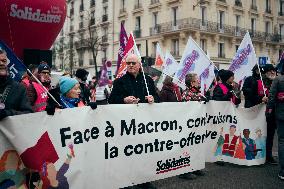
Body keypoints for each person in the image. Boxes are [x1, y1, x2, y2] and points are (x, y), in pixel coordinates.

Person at [108, 53, 158, 189]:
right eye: (128, 63)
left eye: (133, 63)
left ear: (139, 65)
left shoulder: (148, 80)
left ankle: (144, 180)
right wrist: (124, 100)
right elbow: (111, 101)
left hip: (145, 124)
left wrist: (153, 99)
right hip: (127, 125)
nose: (130, 65)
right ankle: (127, 181)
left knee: (144, 153)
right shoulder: (120, 81)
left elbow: (158, 99)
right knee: (128, 153)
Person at [178, 73, 206, 180]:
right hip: (188, 127)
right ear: (192, 83)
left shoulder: (197, 93)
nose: (199, 81)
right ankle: (184, 171)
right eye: (197, 80)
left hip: (196, 126)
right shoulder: (187, 94)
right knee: (187, 148)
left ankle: (195, 167)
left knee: (195, 146)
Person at [0, 49, 33, 121]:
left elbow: (28, 113)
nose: (1, 63)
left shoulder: (19, 88)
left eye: (4, 61)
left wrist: (7, 113)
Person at [267, 62, 284, 180]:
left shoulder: (278, 80)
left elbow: (271, 97)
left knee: (282, 140)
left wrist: (268, 111)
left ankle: (283, 171)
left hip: (281, 114)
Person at [262, 64, 278, 164]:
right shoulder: (260, 82)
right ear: (265, 72)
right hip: (261, 114)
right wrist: (260, 99)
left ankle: (268, 155)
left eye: (274, 70)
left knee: (271, 135)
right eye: (270, 70)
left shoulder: (278, 81)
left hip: (274, 114)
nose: (272, 72)